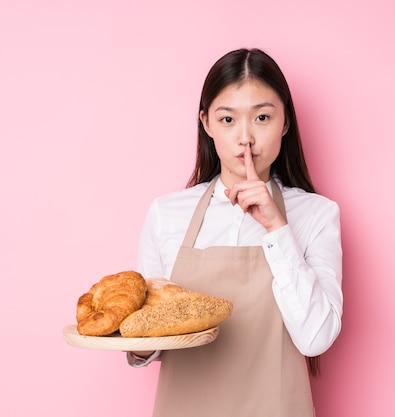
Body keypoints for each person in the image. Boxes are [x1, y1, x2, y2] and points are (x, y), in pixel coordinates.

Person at [127, 48, 343, 417]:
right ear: (206, 123)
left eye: (262, 117)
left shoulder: (317, 214)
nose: (246, 138)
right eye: (227, 119)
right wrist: (139, 344)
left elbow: (315, 338)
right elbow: (150, 337)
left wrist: (277, 228)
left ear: (285, 122)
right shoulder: (167, 213)